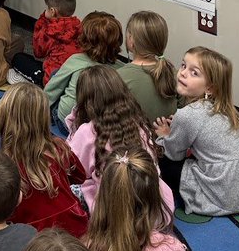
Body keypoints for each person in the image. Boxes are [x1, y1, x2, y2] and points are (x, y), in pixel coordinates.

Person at [156, 47, 239, 216]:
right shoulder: (227, 110)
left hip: (224, 192)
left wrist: (165, 136)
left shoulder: (187, 115)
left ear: (210, 88)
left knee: (161, 160)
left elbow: (174, 154)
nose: (183, 73)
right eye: (183, 66)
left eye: (194, 73)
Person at [64, 65, 174, 215]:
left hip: (113, 209)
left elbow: (71, 168)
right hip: (151, 202)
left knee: (66, 189)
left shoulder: (87, 131)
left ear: (85, 102)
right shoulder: (139, 123)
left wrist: (75, 122)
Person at [0, 84, 88, 237]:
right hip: (76, 227)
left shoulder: (5, 167)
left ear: (5, 119)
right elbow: (80, 176)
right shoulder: (58, 149)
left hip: (34, 238)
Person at [44, 11, 122, 131]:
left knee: (56, 74)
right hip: (99, 128)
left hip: (68, 123)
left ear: (84, 37)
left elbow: (52, 90)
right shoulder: (121, 68)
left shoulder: (76, 60)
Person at [11, 0, 81, 86]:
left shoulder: (50, 31)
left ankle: (35, 83)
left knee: (18, 58)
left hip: (53, 80)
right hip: (76, 77)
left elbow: (38, 52)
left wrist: (43, 18)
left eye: (47, 8)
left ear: (52, 11)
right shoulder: (79, 26)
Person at [118, 10, 179, 122]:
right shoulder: (175, 74)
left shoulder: (118, 77)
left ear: (131, 41)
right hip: (167, 138)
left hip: (134, 139)